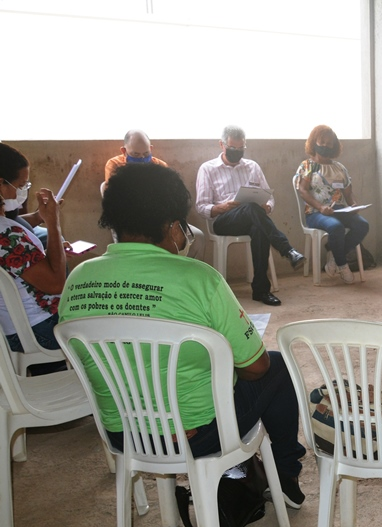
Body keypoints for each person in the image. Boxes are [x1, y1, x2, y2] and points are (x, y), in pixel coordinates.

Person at [59, 163, 307, 508]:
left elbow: (86, 361)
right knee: (276, 365)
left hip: (123, 434)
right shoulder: (199, 278)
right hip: (195, 435)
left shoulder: (77, 278)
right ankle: (285, 474)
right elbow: (256, 368)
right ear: (174, 226)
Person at [195, 125, 305, 307]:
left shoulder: (252, 167)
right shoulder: (208, 169)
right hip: (223, 220)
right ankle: (287, 249)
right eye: (232, 148)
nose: (237, 151)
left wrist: (267, 207)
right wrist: (222, 207)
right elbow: (201, 206)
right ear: (222, 145)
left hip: (251, 217)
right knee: (251, 209)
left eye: (241, 148)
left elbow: (269, 197)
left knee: (258, 227)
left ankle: (261, 290)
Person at [0, 143, 66, 354]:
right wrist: (53, 223)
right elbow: (56, 284)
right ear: (1, 183)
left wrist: (40, 217)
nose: (22, 192)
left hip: (11, 330)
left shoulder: (8, 229)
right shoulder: (8, 236)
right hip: (38, 332)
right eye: (20, 185)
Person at [295, 124, 369, 284]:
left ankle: (335, 257)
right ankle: (343, 266)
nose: (325, 146)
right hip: (316, 213)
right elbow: (303, 191)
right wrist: (320, 207)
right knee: (336, 227)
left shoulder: (339, 168)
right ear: (314, 142)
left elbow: (348, 193)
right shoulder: (308, 166)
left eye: (329, 143)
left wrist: (354, 205)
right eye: (322, 142)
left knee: (362, 225)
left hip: (340, 210)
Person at [102, 129, 168, 195]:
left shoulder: (161, 166)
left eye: (146, 153)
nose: (142, 158)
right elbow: (112, 193)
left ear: (150, 149)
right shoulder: (115, 165)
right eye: (136, 154)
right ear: (124, 151)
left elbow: (166, 192)